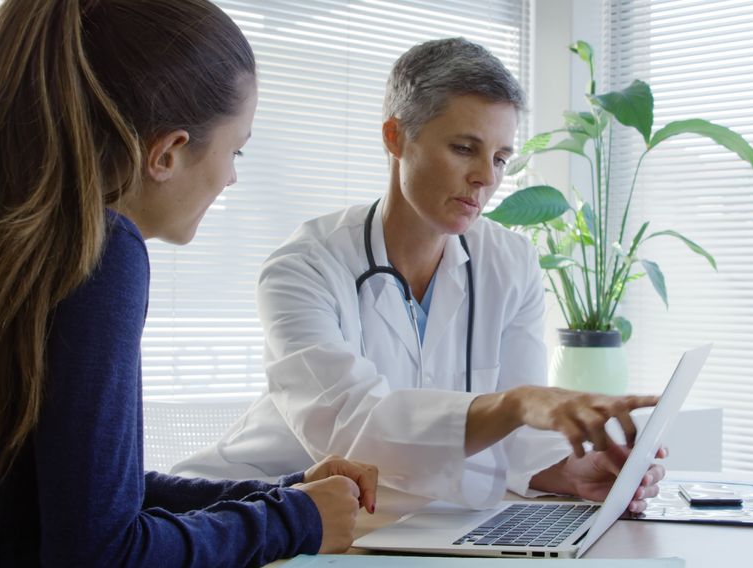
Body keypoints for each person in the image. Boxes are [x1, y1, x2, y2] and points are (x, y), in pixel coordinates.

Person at [173, 37, 667, 511]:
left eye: (499, 158)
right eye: (463, 148)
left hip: (408, 524)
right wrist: (515, 405)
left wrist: (566, 471)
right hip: (256, 509)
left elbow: (515, 443)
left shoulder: (510, 261)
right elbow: (352, 431)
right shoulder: (303, 267)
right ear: (395, 137)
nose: (486, 178)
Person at [0, 1, 379, 567]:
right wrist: (293, 521)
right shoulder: (101, 253)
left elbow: (79, 500)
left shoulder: (31, 247)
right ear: (168, 153)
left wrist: (280, 496)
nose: (230, 176)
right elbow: (101, 554)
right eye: (235, 150)